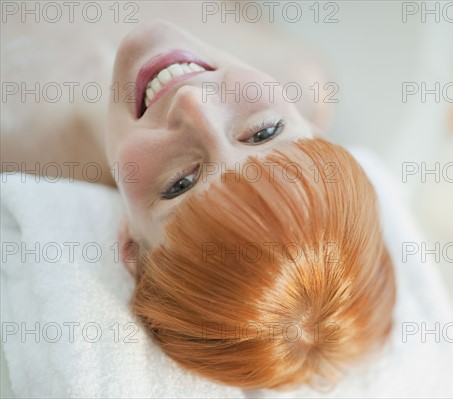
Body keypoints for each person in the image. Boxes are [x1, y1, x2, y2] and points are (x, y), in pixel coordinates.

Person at [2, 19, 396, 390]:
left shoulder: (14, 146)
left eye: (181, 183)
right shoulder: (301, 74)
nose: (193, 102)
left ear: (131, 247)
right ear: (315, 131)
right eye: (264, 132)